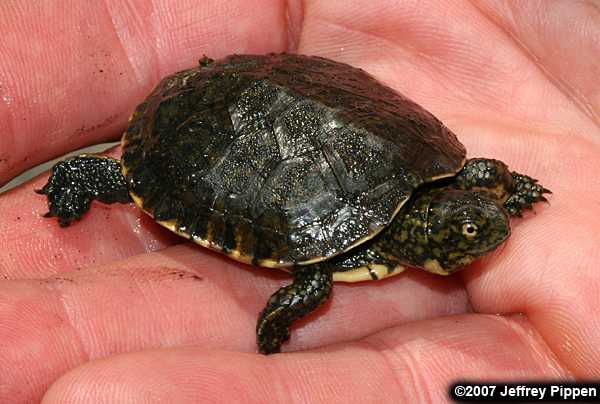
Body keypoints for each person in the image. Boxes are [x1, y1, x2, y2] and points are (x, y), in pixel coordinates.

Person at [1, 1, 598, 402]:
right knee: (135, 184)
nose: (486, 220)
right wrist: (277, 324)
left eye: (474, 223)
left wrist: (512, 189)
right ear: (428, 243)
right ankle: (84, 175)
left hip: (310, 106)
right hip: (210, 126)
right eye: (471, 229)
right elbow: (305, 288)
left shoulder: (444, 176)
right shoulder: (339, 257)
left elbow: (483, 174)